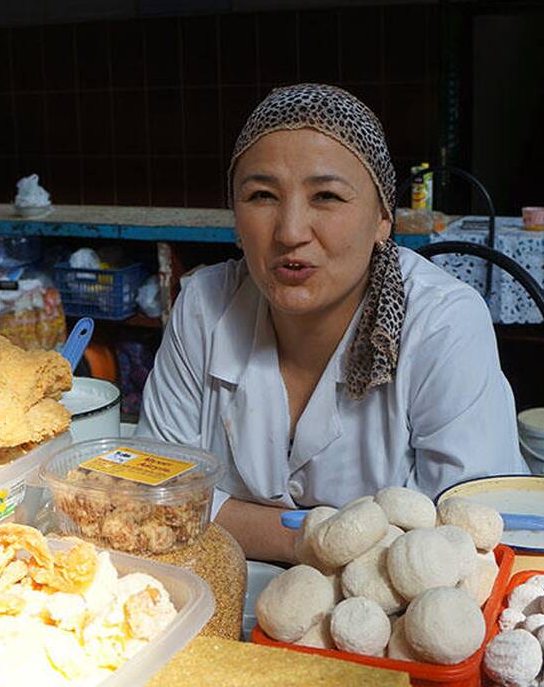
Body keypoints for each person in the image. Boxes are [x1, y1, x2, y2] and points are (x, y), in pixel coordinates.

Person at [135, 84, 524, 562]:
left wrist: (228, 516)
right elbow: (152, 498)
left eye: (327, 196)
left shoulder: (441, 325)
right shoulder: (204, 306)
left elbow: (471, 532)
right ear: (234, 214)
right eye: (261, 195)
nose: (291, 232)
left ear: (383, 217)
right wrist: (314, 540)